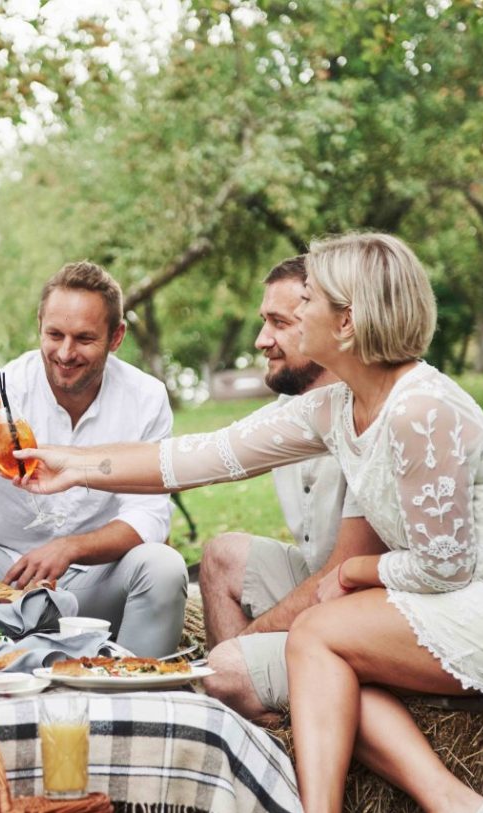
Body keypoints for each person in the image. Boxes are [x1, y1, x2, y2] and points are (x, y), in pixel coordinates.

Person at [13, 233, 483, 813]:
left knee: (320, 633)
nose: (295, 315)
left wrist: (354, 569)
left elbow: (445, 566)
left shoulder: (420, 408)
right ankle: (456, 805)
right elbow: (207, 453)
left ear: (346, 321)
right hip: (471, 594)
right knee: (330, 648)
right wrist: (76, 465)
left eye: (309, 302)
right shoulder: (338, 404)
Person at [0, 261, 188, 658]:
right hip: (4, 573)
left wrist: (69, 548)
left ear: (116, 336)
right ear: (39, 324)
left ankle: (132, 693)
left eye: (84, 338)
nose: (66, 352)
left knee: (164, 566)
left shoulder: (146, 397)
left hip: (97, 577)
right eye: (54, 334)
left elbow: (150, 516)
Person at [200, 256, 385, 721]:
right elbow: (197, 455)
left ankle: (244, 685)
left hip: (373, 609)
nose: (261, 341)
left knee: (225, 666)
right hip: (323, 582)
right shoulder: (293, 409)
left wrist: (248, 642)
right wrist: (72, 465)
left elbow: (343, 576)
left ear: (332, 323)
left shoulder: (376, 410)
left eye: (279, 323)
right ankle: (249, 719)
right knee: (222, 555)